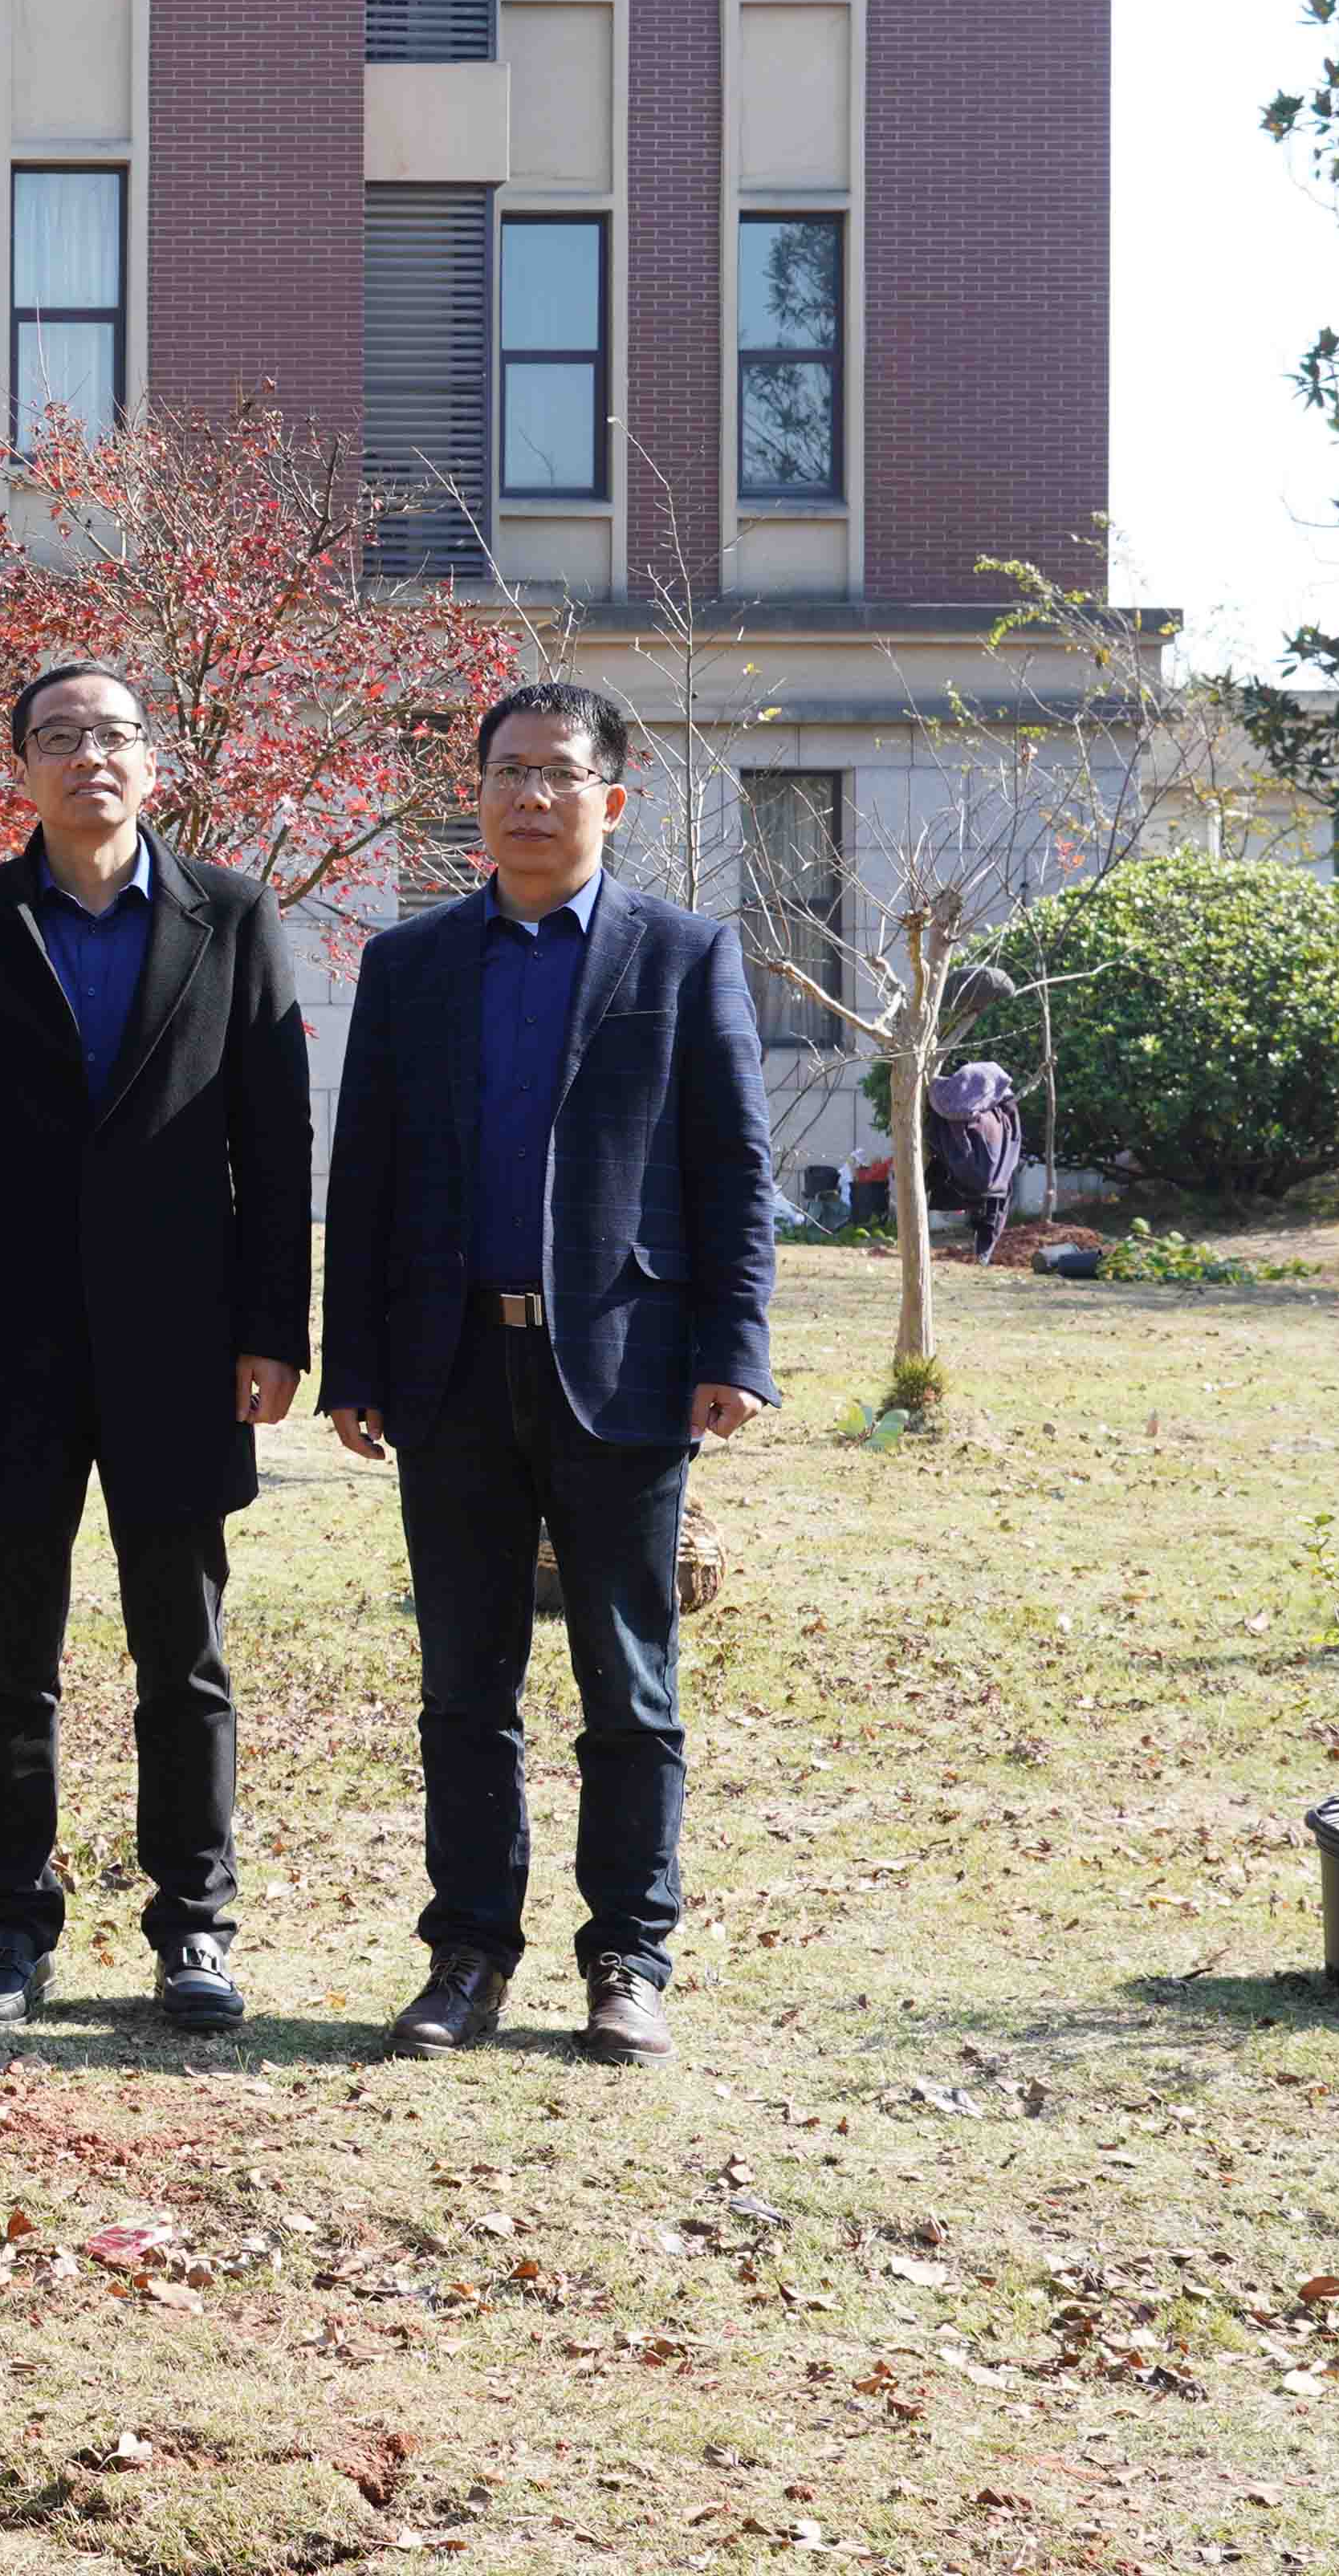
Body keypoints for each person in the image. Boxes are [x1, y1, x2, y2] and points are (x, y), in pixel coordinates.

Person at [320, 680, 777, 2069]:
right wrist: (355, 1364)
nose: (531, 796)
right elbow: (367, 1175)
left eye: (560, 773)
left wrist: (734, 1347)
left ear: (612, 799)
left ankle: (629, 1958)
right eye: (508, 772)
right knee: (466, 1685)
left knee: (629, 1684)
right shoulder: (411, 965)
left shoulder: (682, 954)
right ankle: (468, 1956)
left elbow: (733, 1165)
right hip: (449, 1366)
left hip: (625, 1368)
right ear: (475, 797)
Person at [0, 664, 317, 2031]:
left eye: (114, 735)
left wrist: (274, 1327)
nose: (90, 756)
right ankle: (12, 1927)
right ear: (20, 767)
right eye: (60, 737)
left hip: (180, 1343)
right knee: (8, 1660)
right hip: (2, 1344)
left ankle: (193, 1927)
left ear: (152, 764)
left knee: (182, 1655)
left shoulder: (231, 915)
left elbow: (275, 1136)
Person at [924, 1057, 1022, 1265]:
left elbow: (936, 1133)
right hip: (994, 1182)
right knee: (993, 1206)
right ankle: (982, 1254)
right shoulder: (1002, 1109)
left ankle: (982, 1253)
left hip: (978, 1177)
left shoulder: (947, 1099)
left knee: (991, 1203)